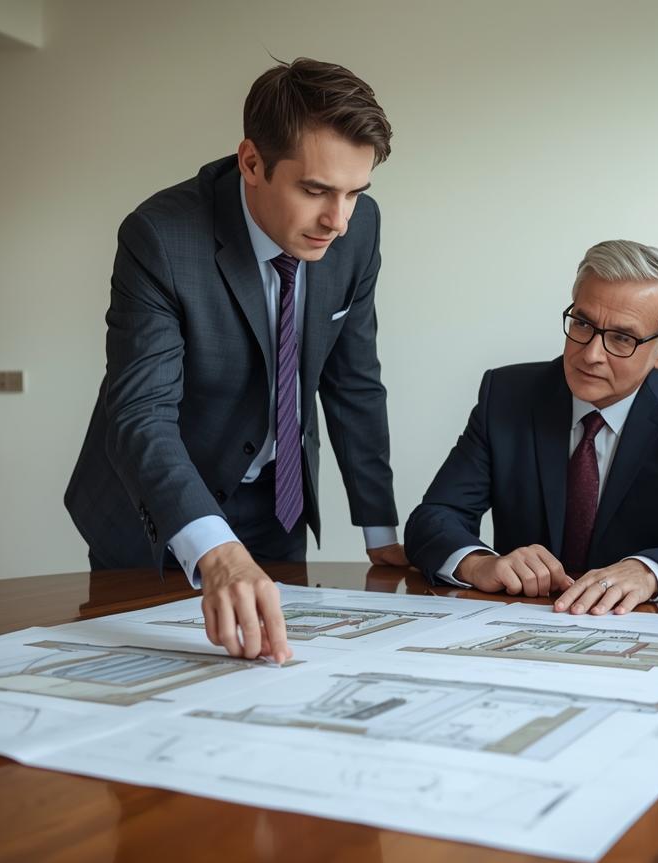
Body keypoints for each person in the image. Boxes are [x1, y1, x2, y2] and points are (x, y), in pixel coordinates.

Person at [65, 59, 406, 664]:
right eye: (315, 190)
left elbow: (353, 378)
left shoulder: (358, 228)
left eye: (356, 192)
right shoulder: (161, 237)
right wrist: (214, 549)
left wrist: (380, 530)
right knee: (141, 686)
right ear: (251, 162)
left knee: (273, 676)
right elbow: (141, 413)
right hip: (159, 512)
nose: (338, 220)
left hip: (280, 502)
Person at [406, 240, 658, 614]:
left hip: (641, 625)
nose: (590, 354)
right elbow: (435, 517)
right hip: (523, 619)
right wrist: (480, 564)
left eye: (622, 338)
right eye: (583, 324)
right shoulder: (508, 395)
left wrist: (649, 571)